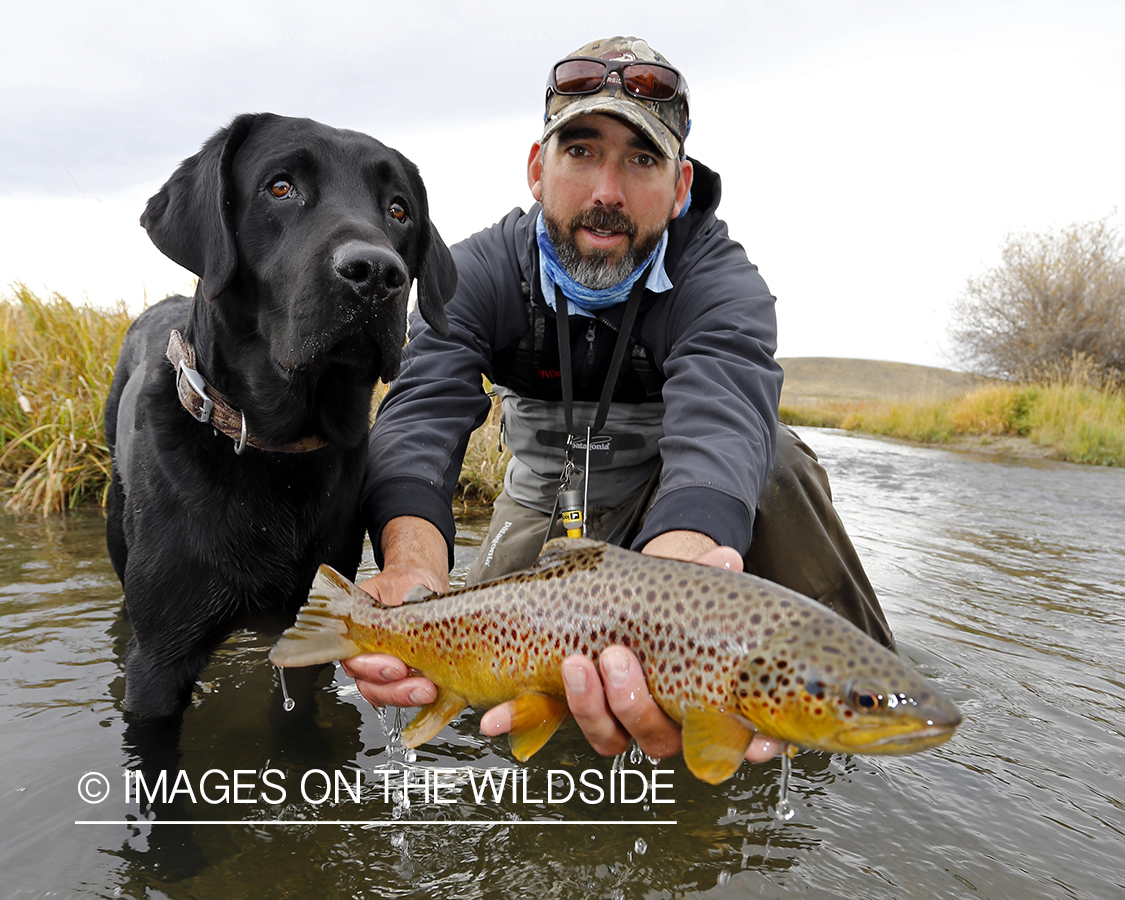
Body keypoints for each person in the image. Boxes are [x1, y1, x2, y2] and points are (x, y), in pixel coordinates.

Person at [343, 36, 894, 766]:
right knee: (486, 693)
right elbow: (422, 411)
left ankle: (858, 707)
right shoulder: (475, 270)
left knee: (778, 460)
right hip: (547, 509)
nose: (607, 191)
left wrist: (668, 616)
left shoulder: (721, 281)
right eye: (580, 152)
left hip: (679, 522)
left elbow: (725, 418)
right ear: (538, 170)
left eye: (640, 160)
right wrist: (412, 565)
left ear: (681, 186)